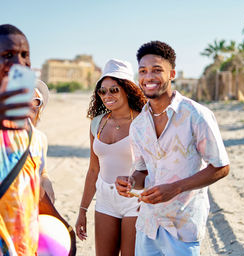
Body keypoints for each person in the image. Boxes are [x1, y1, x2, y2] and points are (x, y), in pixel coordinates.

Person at [0, 24, 75, 255]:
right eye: (8, 55)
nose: (19, 62)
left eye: (24, 55)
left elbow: (29, 183)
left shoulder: (26, 123)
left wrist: (63, 226)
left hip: (27, 242)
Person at [115, 41, 230, 256]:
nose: (148, 77)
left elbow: (221, 167)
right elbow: (143, 171)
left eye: (157, 70)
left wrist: (175, 188)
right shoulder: (138, 125)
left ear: (172, 74)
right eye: (143, 71)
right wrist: (130, 181)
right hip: (148, 225)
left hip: (183, 227)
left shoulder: (196, 115)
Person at [75, 59, 146, 255]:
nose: (107, 95)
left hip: (135, 198)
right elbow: (93, 169)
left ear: (127, 89)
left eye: (114, 90)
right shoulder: (96, 123)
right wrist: (82, 210)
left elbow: (153, 166)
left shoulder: (143, 121)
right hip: (105, 198)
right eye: (102, 91)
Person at [30, 80, 55, 204]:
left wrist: (47, 182)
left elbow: (43, 171)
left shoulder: (41, 138)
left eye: (36, 101)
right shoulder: (4, 136)